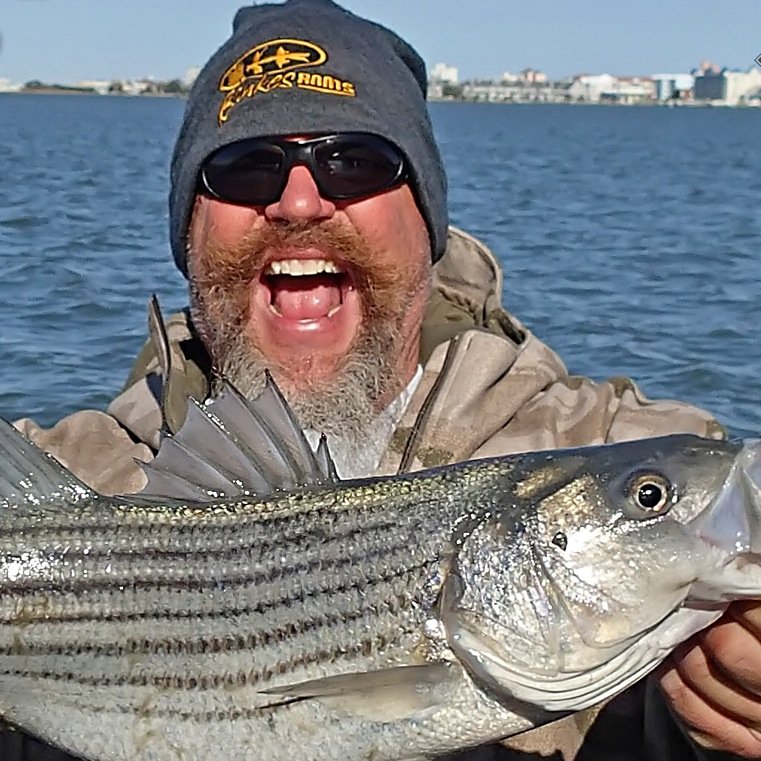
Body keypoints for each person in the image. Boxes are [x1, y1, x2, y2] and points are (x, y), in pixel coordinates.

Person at [5, 1, 759, 759]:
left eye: (355, 161)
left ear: (426, 222)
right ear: (188, 231)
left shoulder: (621, 447)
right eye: (243, 168)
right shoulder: (74, 470)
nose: (299, 201)